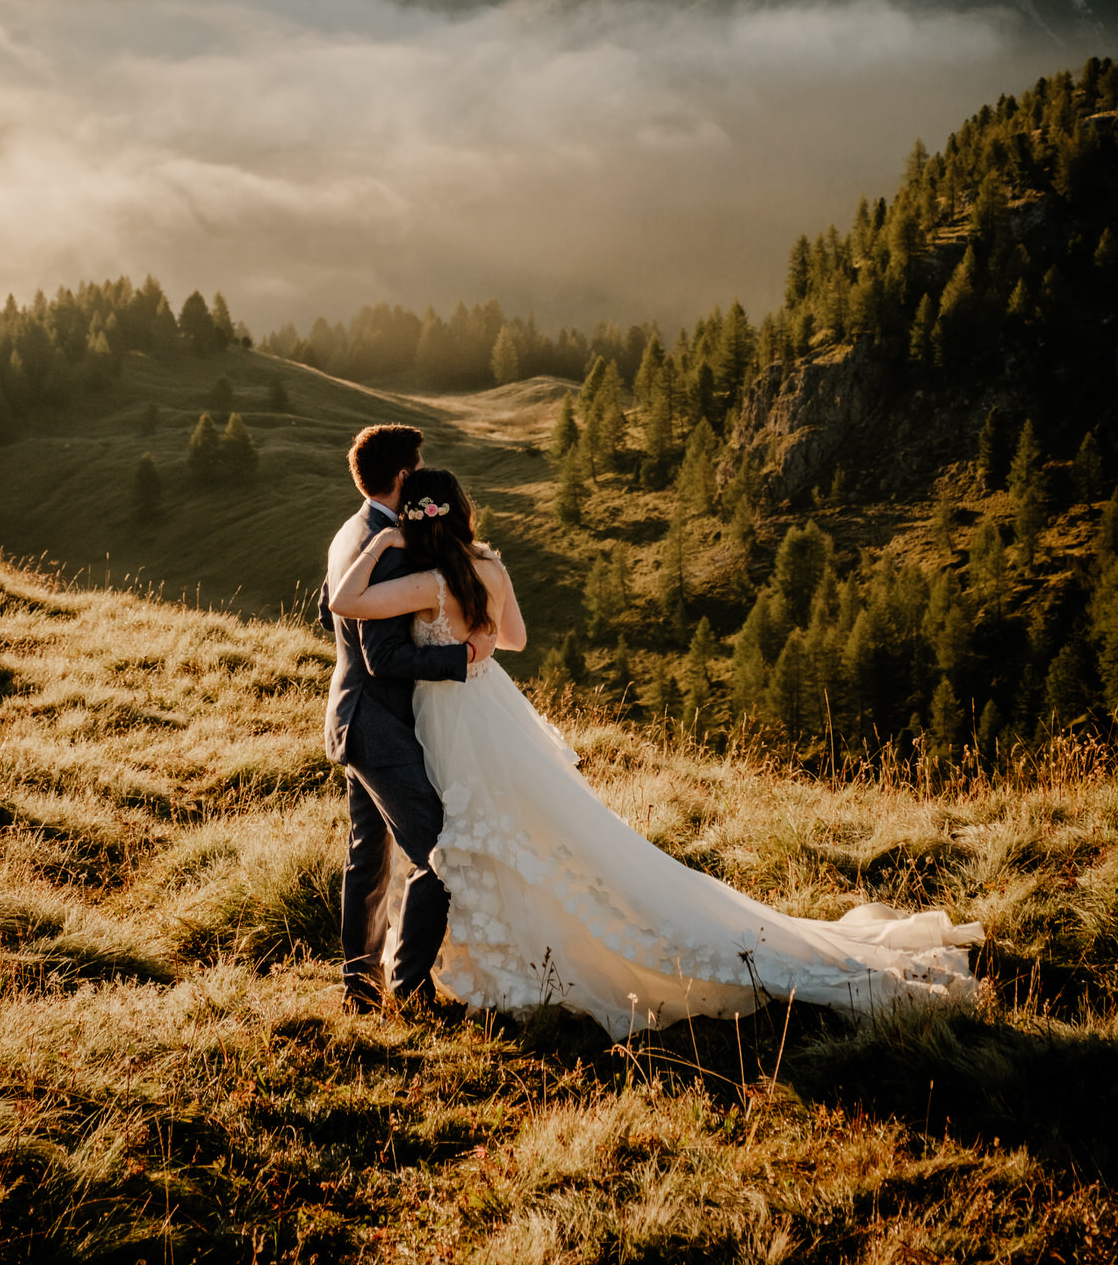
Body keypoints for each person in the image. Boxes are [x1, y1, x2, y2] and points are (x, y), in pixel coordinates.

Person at [328, 466, 985, 1039]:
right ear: (462, 512)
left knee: (471, 838)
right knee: (518, 830)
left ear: (417, 523)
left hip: (450, 720)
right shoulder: (489, 567)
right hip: (493, 707)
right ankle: (497, 961)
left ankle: (489, 967)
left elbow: (346, 600)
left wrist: (384, 541)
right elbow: (517, 639)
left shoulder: (427, 582)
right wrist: (480, 648)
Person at [319, 425, 495, 1015]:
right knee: (437, 849)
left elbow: (328, 610)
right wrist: (459, 658)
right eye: (416, 470)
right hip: (380, 728)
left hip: (350, 713)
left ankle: (358, 984)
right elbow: (383, 655)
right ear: (401, 478)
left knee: (368, 851)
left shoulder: (351, 530)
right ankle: (409, 989)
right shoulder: (390, 548)